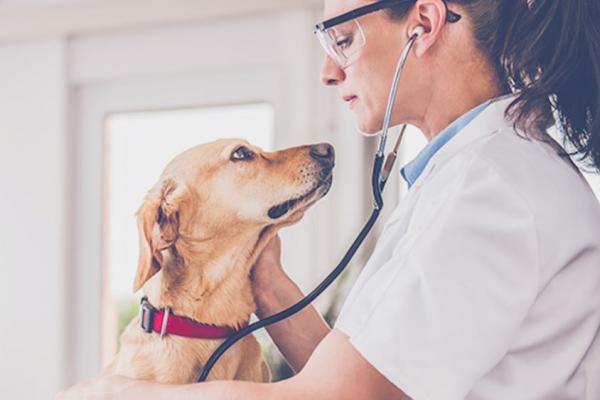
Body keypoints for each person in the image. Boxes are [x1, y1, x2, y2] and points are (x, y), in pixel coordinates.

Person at [57, 0, 600, 399]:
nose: (328, 71)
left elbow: (337, 398)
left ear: (424, 24)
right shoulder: (474, 177)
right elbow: (372, 373)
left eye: (342, 41)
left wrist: (105, 393)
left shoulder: (492, 189)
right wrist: (267, 287)